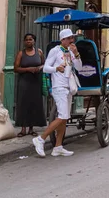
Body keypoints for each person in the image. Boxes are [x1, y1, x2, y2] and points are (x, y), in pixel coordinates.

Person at [33, 29, 82, 158]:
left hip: (68, 87)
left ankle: (58, 147)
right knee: (62, 116)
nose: (72, 40)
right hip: (58, 87)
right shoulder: (55, 51)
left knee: (65, 118)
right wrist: (56, 68)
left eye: (72, 38)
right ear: (63, 40)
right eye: (70, 38)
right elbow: (45, 68)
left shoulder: (70, 52)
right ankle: (41, 139)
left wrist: (76, 54)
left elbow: (79, 67)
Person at [14, 33, 46, 137]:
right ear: (24, 42)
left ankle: (31, 128)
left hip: (36, 81)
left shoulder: (39, 52)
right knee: (23, 103)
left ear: (34, 41)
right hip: (24, 81)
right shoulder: (21, 54)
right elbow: (16, 68)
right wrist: (28, 69)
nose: (28, 41)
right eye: (27, 40)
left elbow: (44, 64)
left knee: (34, 103)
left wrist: (39, 68)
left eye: (30, 39)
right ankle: (23, 128)